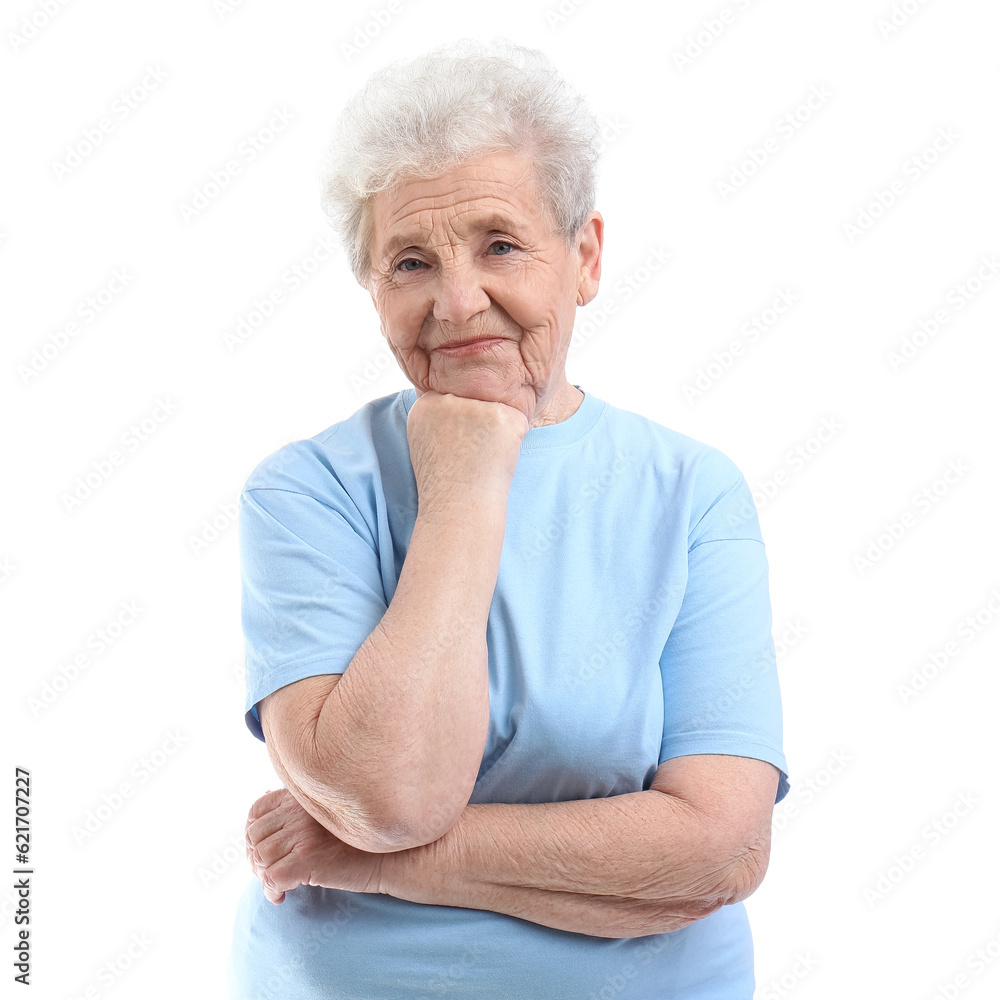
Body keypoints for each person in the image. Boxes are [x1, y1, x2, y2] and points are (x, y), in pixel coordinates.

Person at [230, 38, 789, 1000]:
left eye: (499, 243)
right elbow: (393, 790)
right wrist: (467, 475)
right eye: (409, 261)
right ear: (373, 293)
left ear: (584, 257)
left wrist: (370, 860)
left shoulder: (692, 491)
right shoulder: (304, 491)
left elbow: (716, 852)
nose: (457, 301)